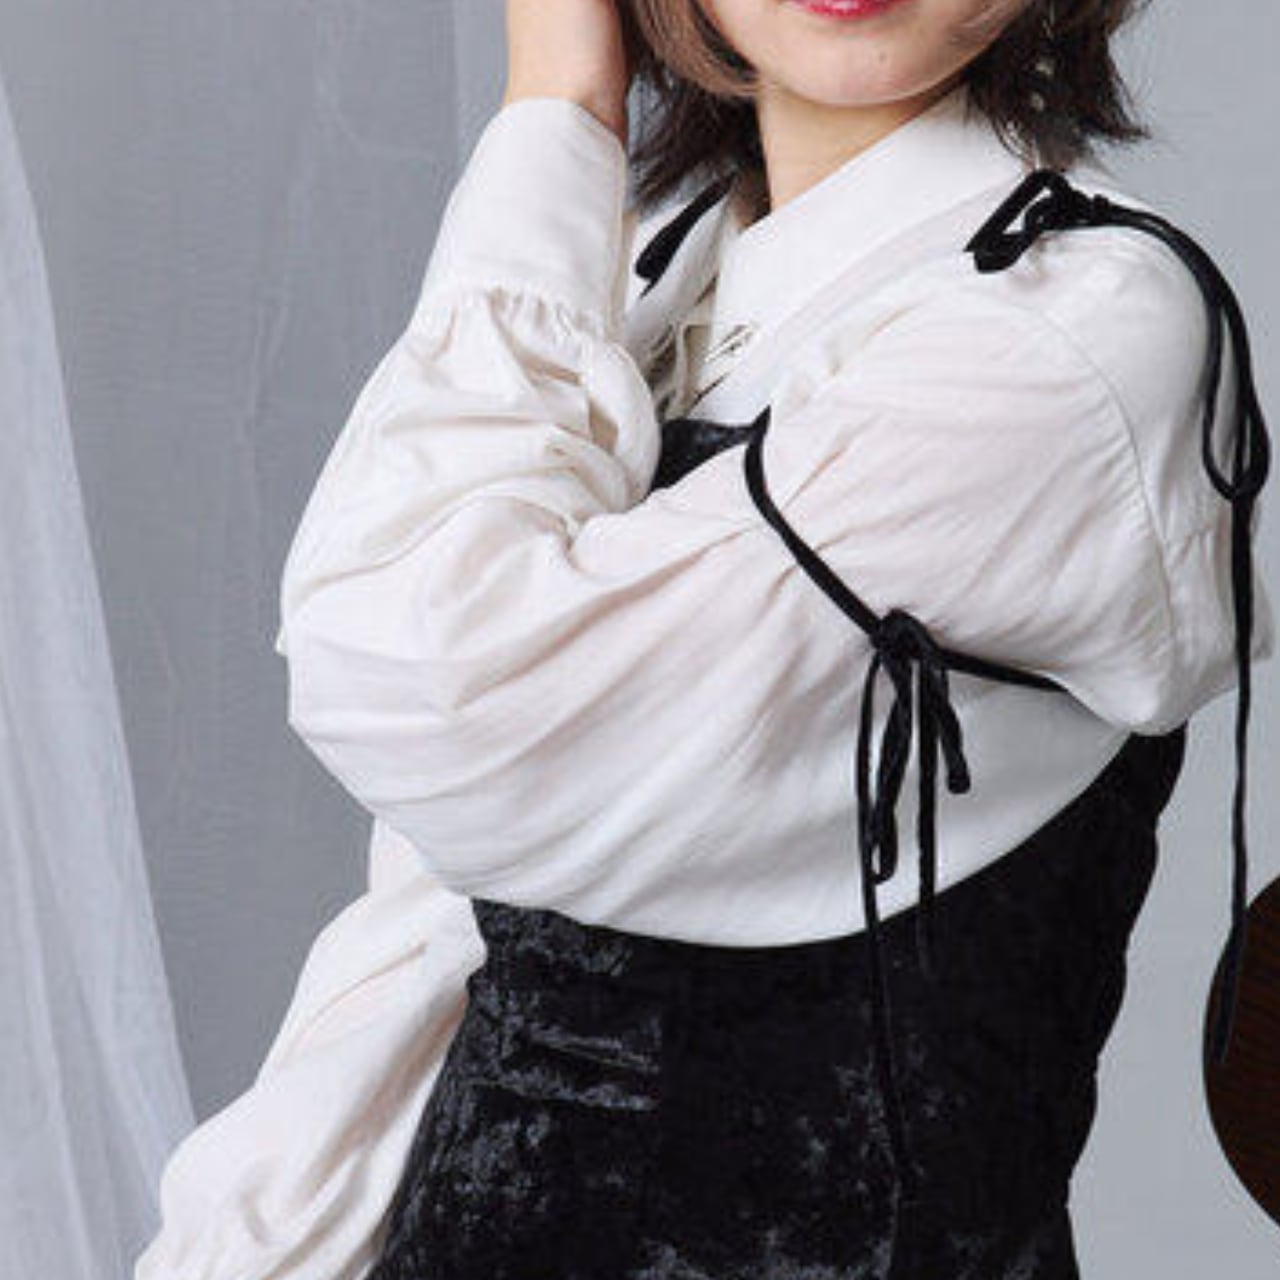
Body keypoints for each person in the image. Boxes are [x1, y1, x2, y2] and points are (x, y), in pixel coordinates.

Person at [135, 1, 1275, 1278]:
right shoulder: (650, 280)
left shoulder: (1070, 326)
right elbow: (431, 925)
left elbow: (435, 690)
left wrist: (558, 103)